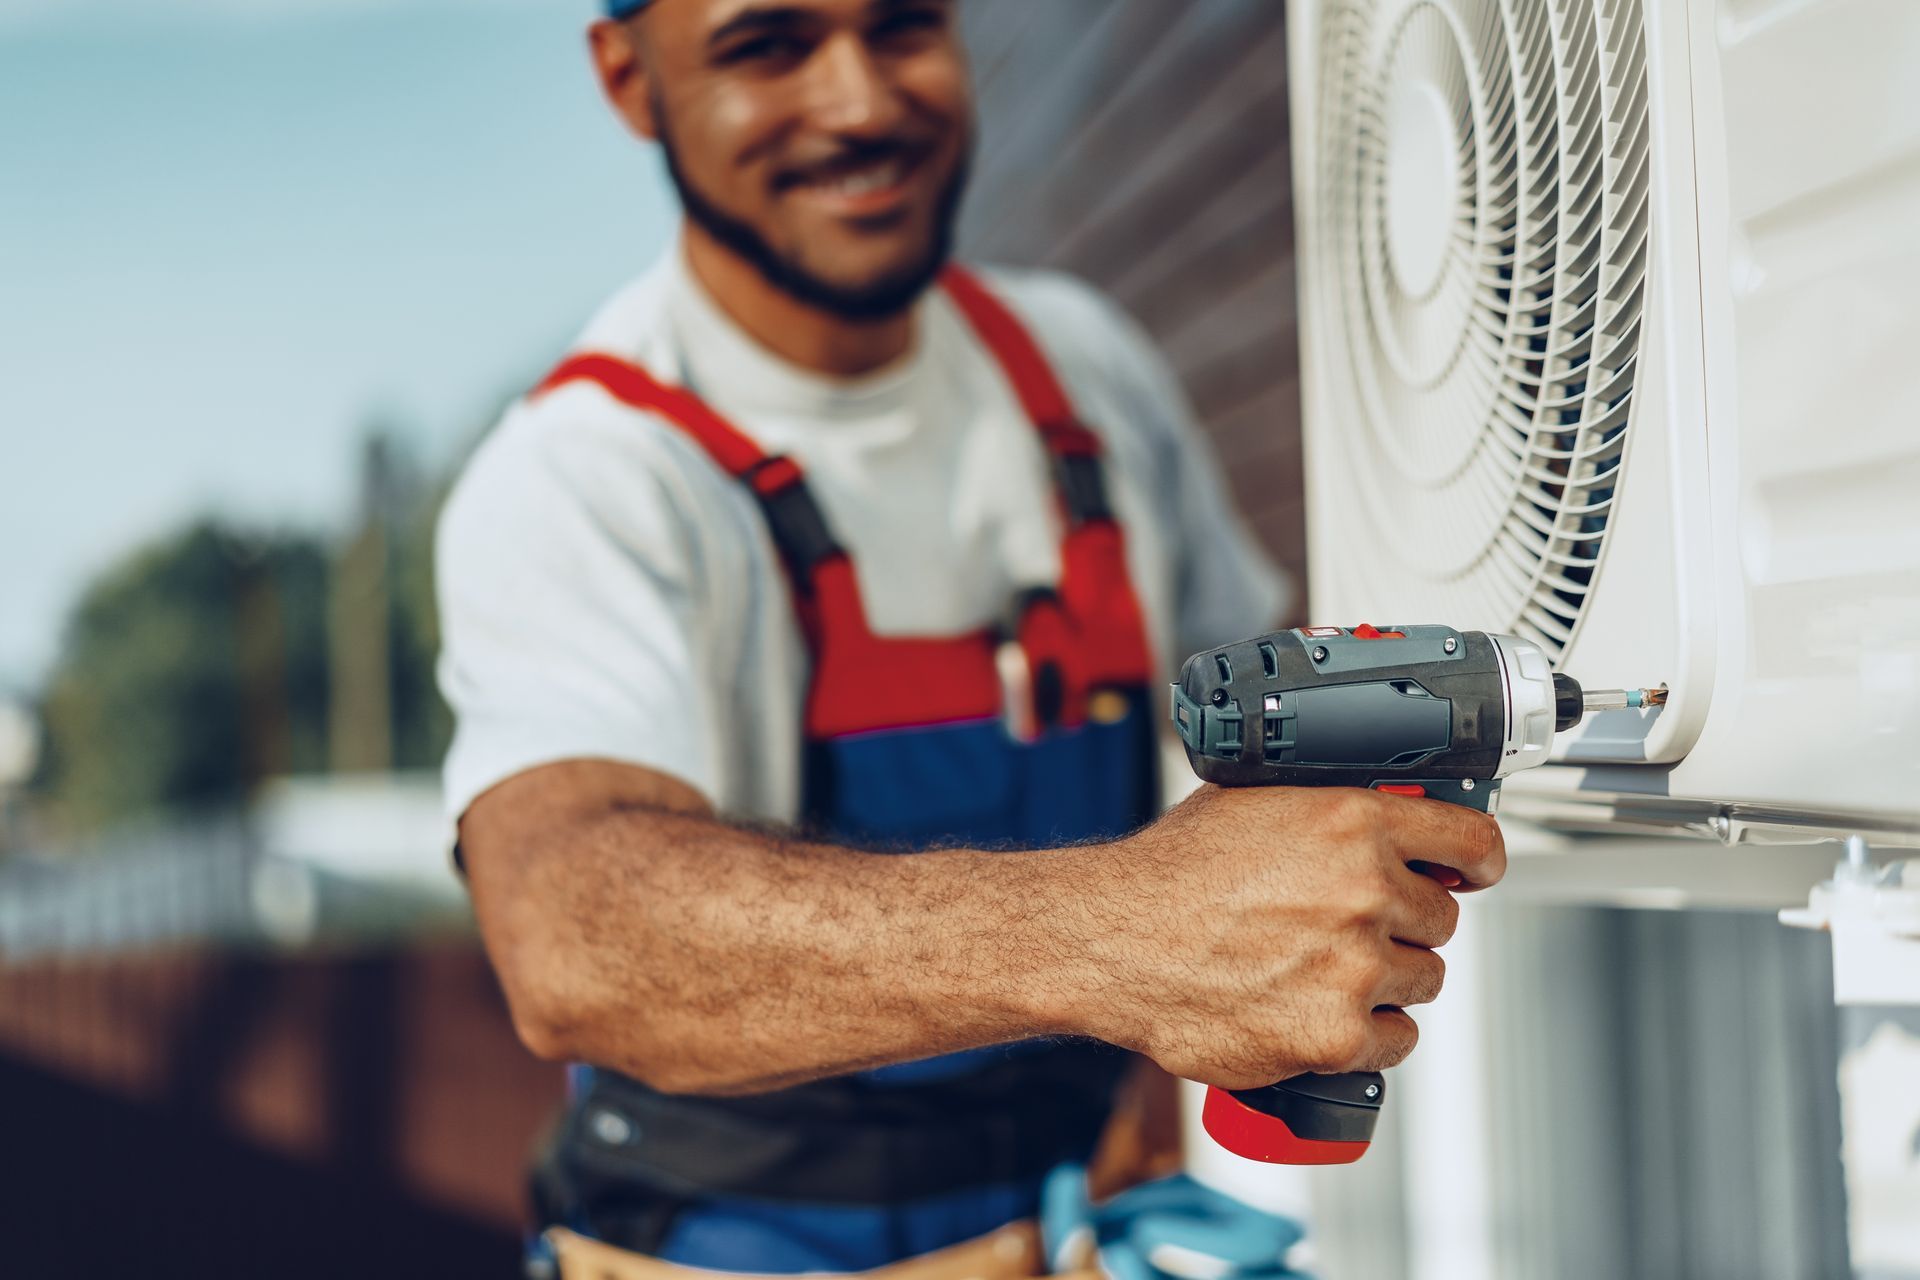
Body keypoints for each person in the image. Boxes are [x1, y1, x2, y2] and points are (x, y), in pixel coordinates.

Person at [434, 0, 1506, 1274]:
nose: (860, 103)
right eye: (767, 45)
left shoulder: (1082, 368)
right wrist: (1123, 934)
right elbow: (573, 937)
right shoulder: (589, 476)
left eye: (901, 27)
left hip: (1065, 1236)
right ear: (628, 78)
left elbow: (1283, 713)